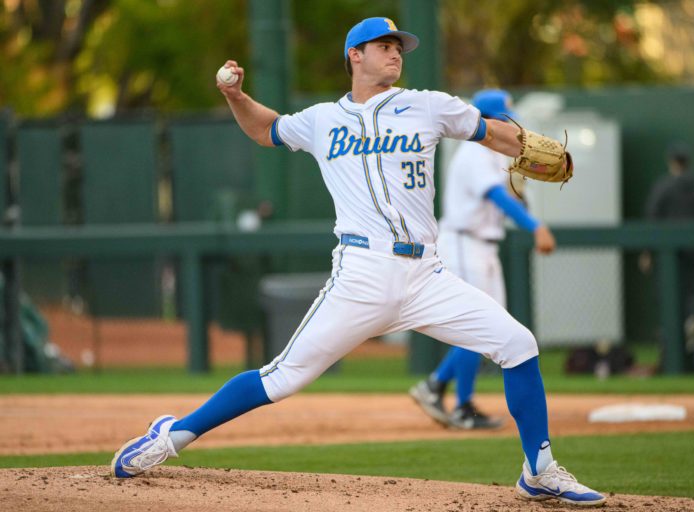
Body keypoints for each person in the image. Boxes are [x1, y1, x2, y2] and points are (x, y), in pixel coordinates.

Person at [110, 17, 605, 507]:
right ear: (355, 55)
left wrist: (531, 146)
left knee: (517, 344)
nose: (395, 53)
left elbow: (486, 131)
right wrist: (236, 98)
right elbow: (267, 131)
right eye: (383, 45)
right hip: (361, 276)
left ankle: (538, 470)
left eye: (399, 46)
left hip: (427, 276)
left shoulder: (427, 105)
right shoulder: (322, 120)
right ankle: (171, 436)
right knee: (283, 377)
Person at [409, 89, 556, 431]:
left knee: (492, 328)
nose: (508, 125)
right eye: (503, 119)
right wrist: (535, 227)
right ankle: (457, 402)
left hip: (484, 246)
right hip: (463, 242)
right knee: (478, 326)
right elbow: (497, 197)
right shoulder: (475, 151)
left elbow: (512, 195)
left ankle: (438, 388)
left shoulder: (495, 155)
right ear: (488, 119)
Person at [639, 143, 694, 321]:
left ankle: (671, 342)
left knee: (668, 299)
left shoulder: (662, 188)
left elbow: (652, 219)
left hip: (667, 255)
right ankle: (688, 338)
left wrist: (647, 251)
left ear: (672, 162)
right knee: (689, 299)